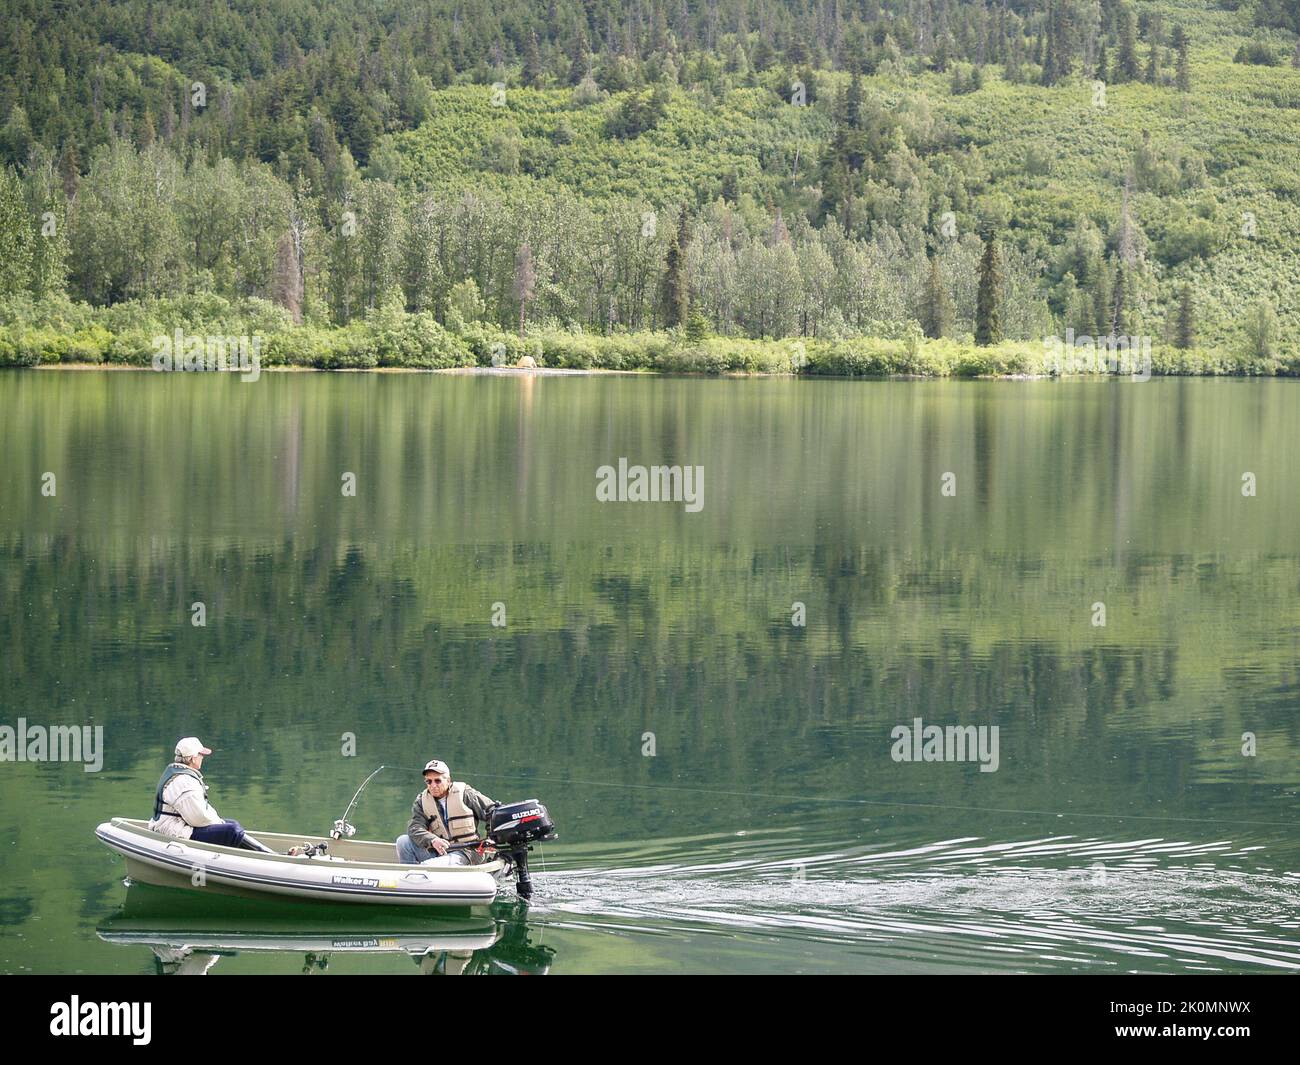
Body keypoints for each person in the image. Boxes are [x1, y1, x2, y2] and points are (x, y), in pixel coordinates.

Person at [148, 737, 276, 853]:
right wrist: (219, 823)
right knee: (232, 830)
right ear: (193, 758)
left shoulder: (179, 774)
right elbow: (198, 817)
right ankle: (270, 856)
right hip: (174, 831)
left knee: (231, 824)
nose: (202, 757)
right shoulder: (184, 782)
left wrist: (219, 823)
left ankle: (264, 853)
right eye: (200, 754)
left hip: (176, 826)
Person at [395, 760, 496, 866]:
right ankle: (410, 878)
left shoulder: (465, 794)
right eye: (429, 781)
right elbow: (415, 828)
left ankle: (422, 877)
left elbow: (492, 811)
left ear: (448, 780)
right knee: (403, 841)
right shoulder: (421, 801)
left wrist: (490, 838)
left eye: (437, 781)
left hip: (467, 853)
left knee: (428, 866)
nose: (433, 785)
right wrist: (432, 840)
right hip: (439, 852)